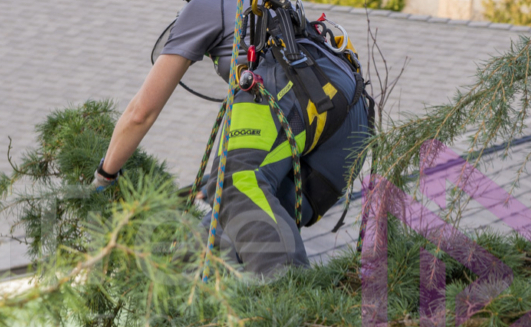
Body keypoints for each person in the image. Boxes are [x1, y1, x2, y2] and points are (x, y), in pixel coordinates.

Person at [94, 0, 370, 276]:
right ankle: (195, 311)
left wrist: (104, 178)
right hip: (346, 121)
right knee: (213, 243)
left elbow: (140, 113)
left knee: (232, 184)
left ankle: (291, 305)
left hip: (309, 96)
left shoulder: (203, 7)